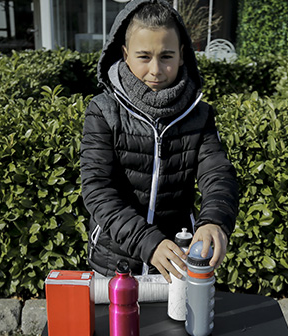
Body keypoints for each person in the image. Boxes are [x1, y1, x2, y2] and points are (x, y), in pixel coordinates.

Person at [80, 0, 239, 282]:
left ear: (182, 56)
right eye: (144, 56)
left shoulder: (200, 115)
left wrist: (214, 220)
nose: (155, 70)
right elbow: (97, 188)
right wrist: (146, 242)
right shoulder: (103, 110)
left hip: (178, 260)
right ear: (125, 54)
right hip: (113, 264)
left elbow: (217, 173)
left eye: (166, 56)